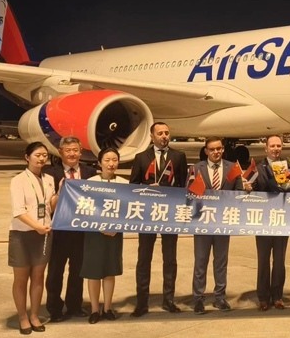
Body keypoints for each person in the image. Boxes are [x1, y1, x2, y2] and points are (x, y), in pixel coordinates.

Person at [129, 122, 188, 317]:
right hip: (147, 215)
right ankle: (141, 302)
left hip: (170, 215)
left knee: (170, 259)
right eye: (160, 133)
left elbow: (183, 185)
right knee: (144, 259)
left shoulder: (178, 157)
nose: (164, 136)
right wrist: (147, 189)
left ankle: (169, 300)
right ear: (152, 136)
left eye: (167, 133)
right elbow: (132, 187)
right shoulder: (141, 158)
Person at [190, 136, 249, 314]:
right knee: (200, 262)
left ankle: (220, 297)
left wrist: (245, 191)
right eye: (212, 149)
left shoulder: (233, 168)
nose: (216, 152)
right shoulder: (196, 168)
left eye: (219, 149)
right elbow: (189, 194)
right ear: (206, 151)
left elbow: (238, 193)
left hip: (223, 222)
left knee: (221, 262)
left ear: (223, 149)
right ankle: (198, 298)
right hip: (203, 222)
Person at [43, 136, 96, 322]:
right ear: (60, 152)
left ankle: (74, 306)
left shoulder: (90, 172)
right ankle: (54, 308)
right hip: (59, 230)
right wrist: (60, 191)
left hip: (82, 231)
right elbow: (48, 204)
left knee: (78, 271)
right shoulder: (50, 173)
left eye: (75, 150)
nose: (72, 154)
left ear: (81, 152)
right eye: (68, 150)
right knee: (55, 272)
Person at [8, 142, 56, 334]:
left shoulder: (49, 179)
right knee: (21, 278)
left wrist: (61, 193)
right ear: (27, 157)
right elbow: (18, 211)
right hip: (22, 234)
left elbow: (50, 206)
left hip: (44, 233)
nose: (42, 158)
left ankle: (35, 315)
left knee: (38, 277)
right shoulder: (18, 180)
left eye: (45, 155)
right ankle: (22, 317)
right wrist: (37, 227)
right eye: (37, 155)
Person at [81, 148, 127, 324]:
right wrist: (99, 226)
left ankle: (107, 308)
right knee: (93, 272)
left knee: (109, 270)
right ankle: (94, 309)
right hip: (94, 233)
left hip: (114, 233)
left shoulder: (124, 183)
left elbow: (128, 210)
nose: (111, 164)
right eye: (107, 160)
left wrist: (117, 227)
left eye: (114, 160)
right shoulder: (90, 183)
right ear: (99, 163)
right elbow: (85, 208)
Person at [253, 135, 290, 311]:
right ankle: (263, 297)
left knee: (279, 261)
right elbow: (257, 188)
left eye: (279, 146)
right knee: (263, 260)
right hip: (263, 221)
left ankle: (277, 296)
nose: (276, 149)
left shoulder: (289, 167)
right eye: (272, 146)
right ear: (266, 148)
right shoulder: (257, 168)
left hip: (282, 220)